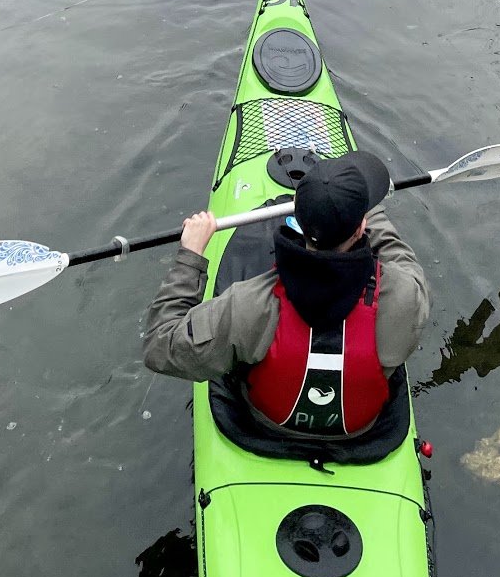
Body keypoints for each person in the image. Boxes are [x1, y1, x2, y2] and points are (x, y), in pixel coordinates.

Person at [142, 152, 429, 441]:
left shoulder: (249, 303)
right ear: (361, 228)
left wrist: (190, 255)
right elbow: (398, 255)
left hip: (266, 423)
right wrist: (363, 208)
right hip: (359, 430)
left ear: (298, 221)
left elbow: (161, 346)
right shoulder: (408, 295)